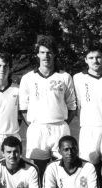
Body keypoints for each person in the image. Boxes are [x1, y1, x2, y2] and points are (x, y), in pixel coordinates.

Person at [19, 35, 76, 177]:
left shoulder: (65, 77)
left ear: (54, 54)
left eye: (49, 52)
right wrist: (36, 123)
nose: (46, 56)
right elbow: (23, 108)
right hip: (37, 129)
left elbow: (72, 106)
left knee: (63, 169)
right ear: (37, 54)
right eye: (43, 52)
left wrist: (61, 122)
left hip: (60, 128)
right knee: (39, 170)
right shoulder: (28, 78)